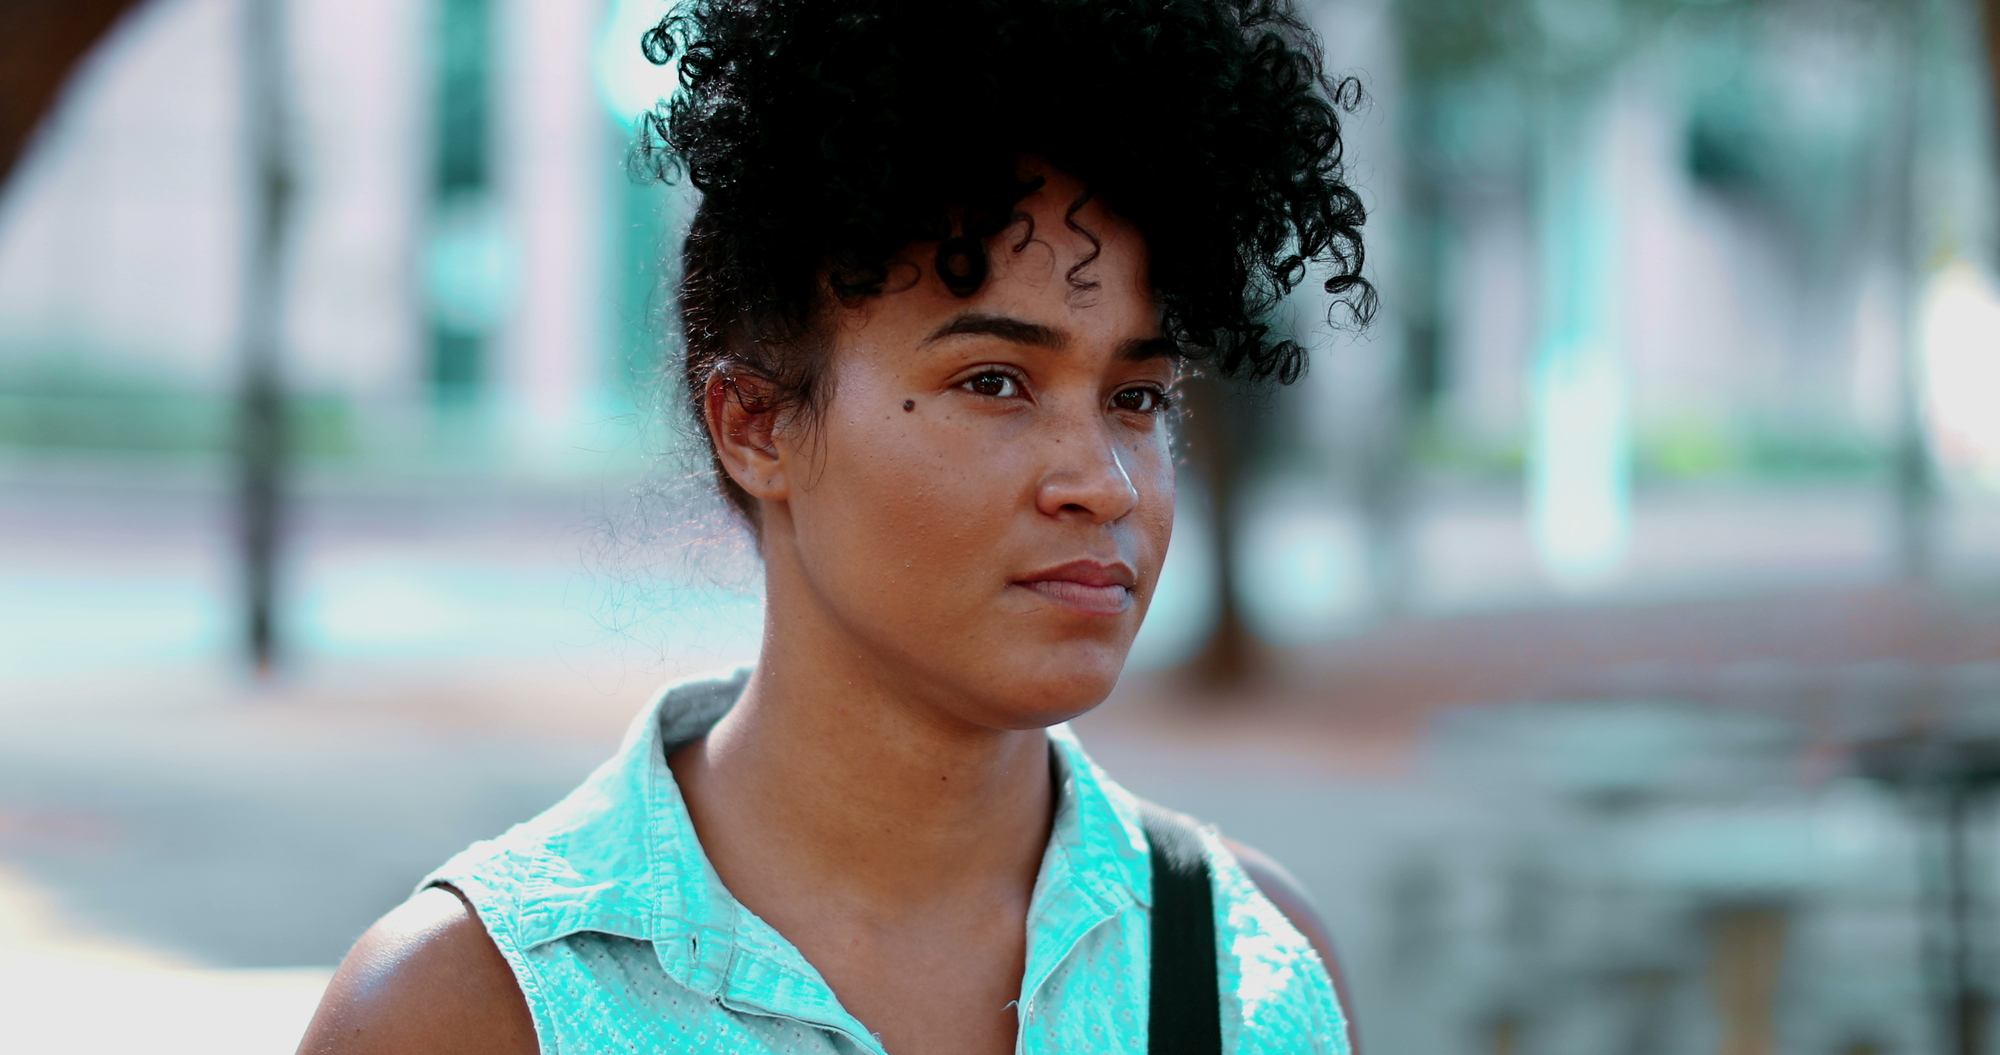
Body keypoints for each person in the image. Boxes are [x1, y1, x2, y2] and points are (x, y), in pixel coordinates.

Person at [298, 0, 1371, 1051]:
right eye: (994, 380)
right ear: (756, 425)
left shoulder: (1251, 970)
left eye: (1136, 396)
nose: (1102, 482)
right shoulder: (468, 1006)